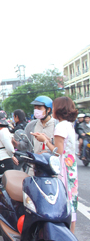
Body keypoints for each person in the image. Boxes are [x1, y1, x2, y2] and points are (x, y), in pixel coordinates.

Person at [31, 96, 78, 233]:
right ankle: (71, 234)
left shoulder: (60, 127)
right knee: (71, 201)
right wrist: (46, 138)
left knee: (63, 200)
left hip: (62, 167)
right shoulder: (68, 125)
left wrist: (44, 141)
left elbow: (58, 151)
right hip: (70, 166)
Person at [0, 111, 18, 181]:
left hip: (3, 161)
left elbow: (10, 148)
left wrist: (11, 156)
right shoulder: (0, 131)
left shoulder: (4, 132)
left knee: (5, 182)